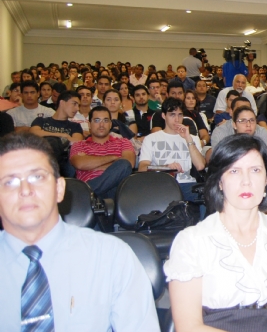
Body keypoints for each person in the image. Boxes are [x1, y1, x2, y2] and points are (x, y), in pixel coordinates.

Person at [0, 132, 159, 331]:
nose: (25, 190)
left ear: (59, 188)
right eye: (9, 182)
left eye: (37, 177)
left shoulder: (111, 256)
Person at [165, 134, 267, 332]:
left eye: (255, 170)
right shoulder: (191, 241)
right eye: (234, 171)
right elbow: (188, 326)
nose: (246, 181)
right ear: (219, 182)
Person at [138, 98, 206, 201]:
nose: (177, 119)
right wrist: (165, 168)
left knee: (207, 196)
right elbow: (142, 168)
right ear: (164, 116)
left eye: (180, 115)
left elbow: (200, 166)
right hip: (161, 185)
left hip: (187, 184)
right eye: (172, 115)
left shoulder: (192, 138)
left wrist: (188, 139)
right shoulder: (151, 139)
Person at [69, 106, 135, 199]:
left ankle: (87, 194)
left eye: (105, 120)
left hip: (116, 191)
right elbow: (80, 164)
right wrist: (114, 158)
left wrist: (92, 165)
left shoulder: (123, 142)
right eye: (97, 120)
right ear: (89, 124)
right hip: (92, 188)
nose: (101, 125)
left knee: (124, 164)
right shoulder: (79, 145)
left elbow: (128, 164)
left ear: (110, 124)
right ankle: (89, 194)